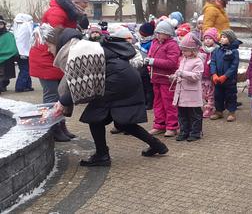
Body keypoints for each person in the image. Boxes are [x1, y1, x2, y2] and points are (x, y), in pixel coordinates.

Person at [48, 27, 168, 166]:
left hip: (117, 82)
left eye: (49, 46)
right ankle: (157, 146)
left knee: (95, 119)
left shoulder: (79, 52)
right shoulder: (83, 46)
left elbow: (81, 84)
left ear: (59, 44)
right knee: (123, 123)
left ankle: (102, 155)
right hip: (124, 79)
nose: (48, 50)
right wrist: (62, 101)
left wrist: (62, 102)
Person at [30, 0, 90, 141]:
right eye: (84, 2)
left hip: (58, 58)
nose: (86, 5)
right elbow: (54, 40)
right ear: (74, 1)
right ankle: (52, 127)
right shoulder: (57, 13)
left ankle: (61, 125)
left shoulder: (70, 13)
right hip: (47, 59)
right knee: (51, 96)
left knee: (61, 94)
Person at [145, 20, 181, 137]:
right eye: (157, 33)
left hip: (167, 79)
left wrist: (153, 62)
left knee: (169, 103)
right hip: (156, 78)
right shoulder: (155, 42)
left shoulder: (172, 45)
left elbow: (172, 63)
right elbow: (150, 55)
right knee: (158, 103)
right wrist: (148, 61)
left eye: (160, 33)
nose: (157, 35)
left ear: (167, 33)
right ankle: (159, 125)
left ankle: (172, 126)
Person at [171, 33, 204, 142]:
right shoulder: (183, 59)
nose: (183, 52)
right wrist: (175, 76)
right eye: (182, 50)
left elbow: (197, 76)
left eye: (185, 50)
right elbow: (180, 72)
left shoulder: (198, 61)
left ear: (193, 50)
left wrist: (182, 73)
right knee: (182, 114)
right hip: (182, 92)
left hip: (192, 93)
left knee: (194, 114)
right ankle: (184, 131)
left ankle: (195, 133)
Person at [209, 30, 241, 122]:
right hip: (217, 78)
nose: (222, 39)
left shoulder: (234, 51)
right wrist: (214, 74)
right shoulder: (217, 50)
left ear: (230, 39)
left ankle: (231, 112)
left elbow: (234, 66)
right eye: (221, 37)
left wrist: (225, 76)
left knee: (230, 95)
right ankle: (219, 111)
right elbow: (213, 62)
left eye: (224, 37)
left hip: (229, 79)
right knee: (218, 95)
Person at [12, 14, 34, 92]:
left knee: (26, 69)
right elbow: (22, 42)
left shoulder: (19, 27)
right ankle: (20, 87)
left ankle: (27, 85)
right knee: (25, 70)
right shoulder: (25, 27)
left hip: (22, 53)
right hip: (23, 53)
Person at [200, 27, 219, 118]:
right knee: (202, 92)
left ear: (214, 40)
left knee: (211, 93)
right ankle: (203, 107)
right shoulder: (201, 50)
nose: (207, 41)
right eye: (206, 38)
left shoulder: (217, 50)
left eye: (210, 38)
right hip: (202, 75)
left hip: (211, 76)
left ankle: (210, 108)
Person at [0, 16, 18, 94]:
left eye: (1, 24)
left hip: (6, 59)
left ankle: (3, 86)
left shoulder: (8, 35)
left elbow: (12, 47)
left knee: (3, 75)